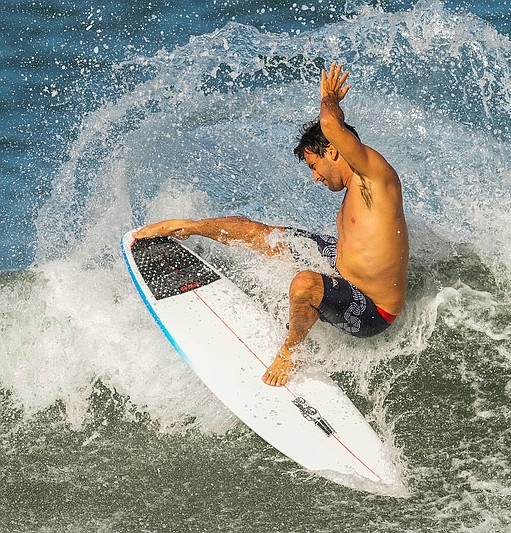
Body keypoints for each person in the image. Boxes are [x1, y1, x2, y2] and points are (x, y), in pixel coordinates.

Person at [133, 62, 409, 387]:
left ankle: (291, 352)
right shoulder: (356, 188)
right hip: (342, 265)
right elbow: (333, 131)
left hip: (373, 309)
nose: (315, 177)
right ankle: (188, 227)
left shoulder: (375, 178)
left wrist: (330, 99)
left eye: (314, 165)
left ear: (333, 151)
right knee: (263, 234)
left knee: (304, 285)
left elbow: (329, 123)